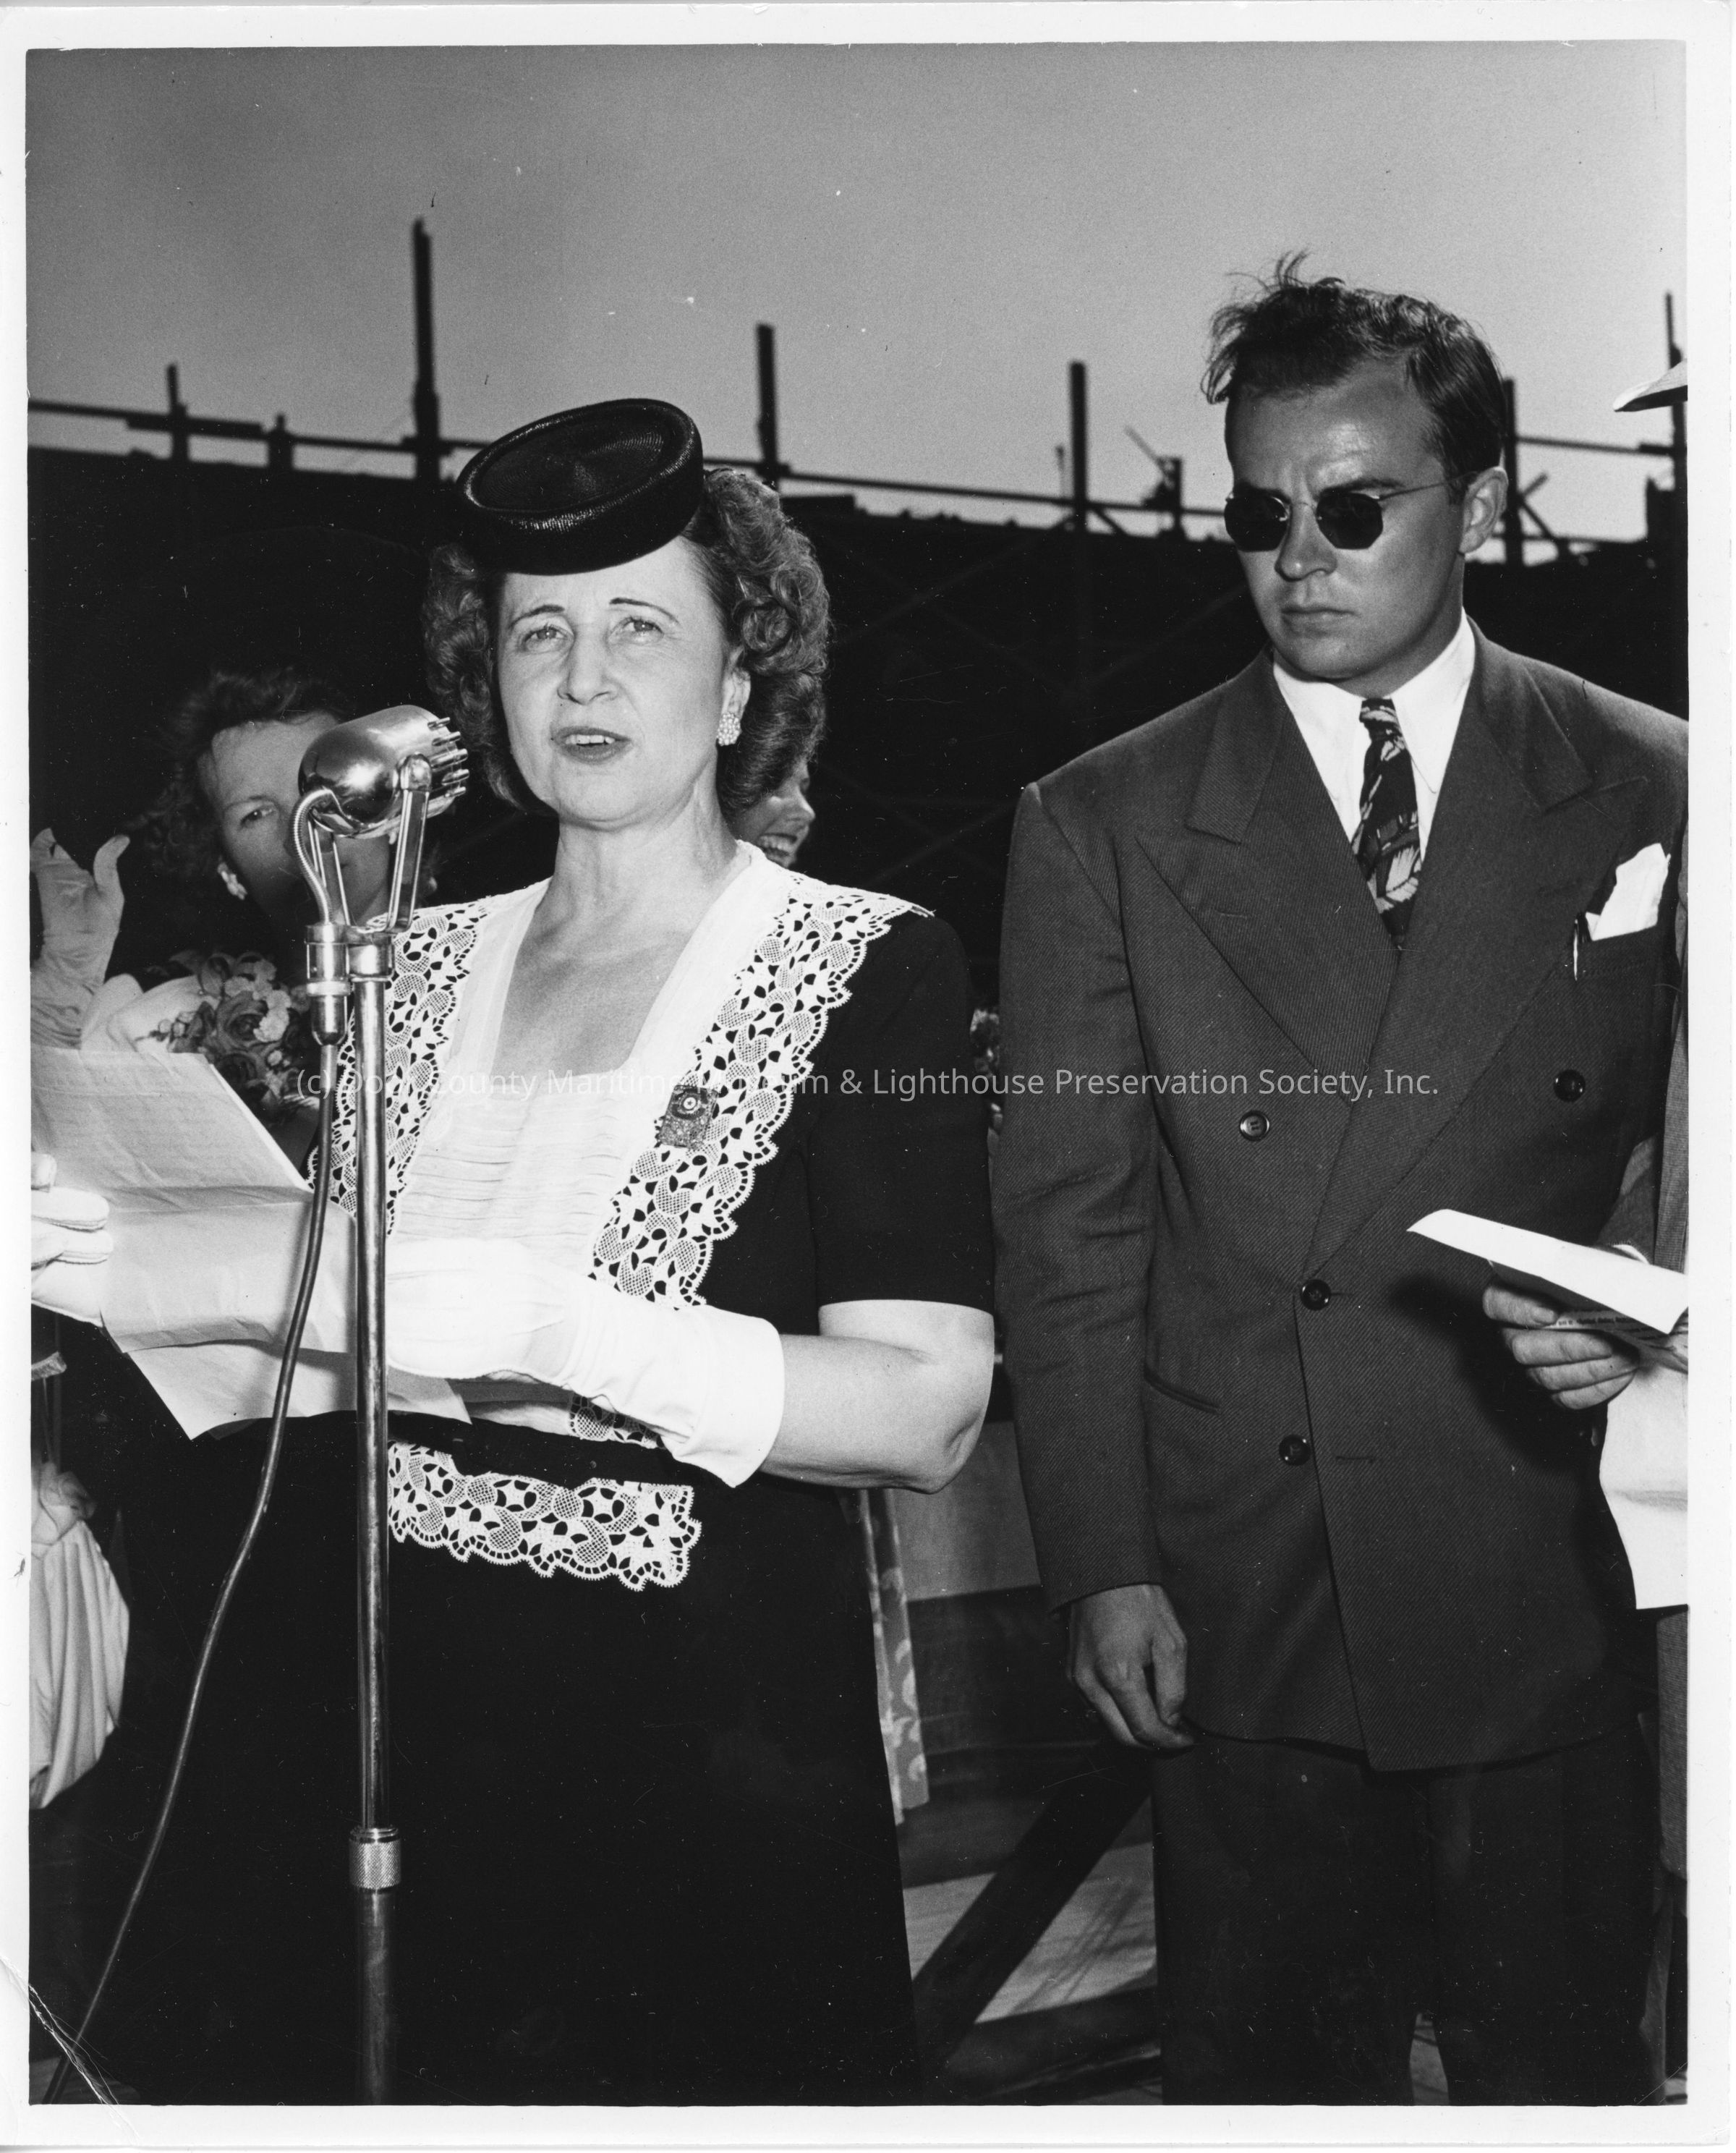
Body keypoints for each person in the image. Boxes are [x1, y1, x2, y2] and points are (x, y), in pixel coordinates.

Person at [90, 399, 995, 2104]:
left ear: (738, 686)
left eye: (642, 628)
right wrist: (135, 1257)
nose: (583, 677)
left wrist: (555, 1324)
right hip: (405, 1724)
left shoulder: (868, 964)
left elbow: (928, 1409)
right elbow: (330, 1347)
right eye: (538, 635)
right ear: (487, 688)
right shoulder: (407, 965)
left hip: (706, 1755)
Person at [994, 263, 1685, 2105]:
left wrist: (1646, 1302)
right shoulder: (1103, 817)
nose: (1300, 558)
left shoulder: (1659, 784)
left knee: (1560, 2077)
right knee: (1278, 2096)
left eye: (1356, 509)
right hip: (1242, 1586)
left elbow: (1690, 1152)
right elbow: (1069, 1231)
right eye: (1260, 515)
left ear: (1479, 503)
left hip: (1545, 1555)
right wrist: (1102, 1566)